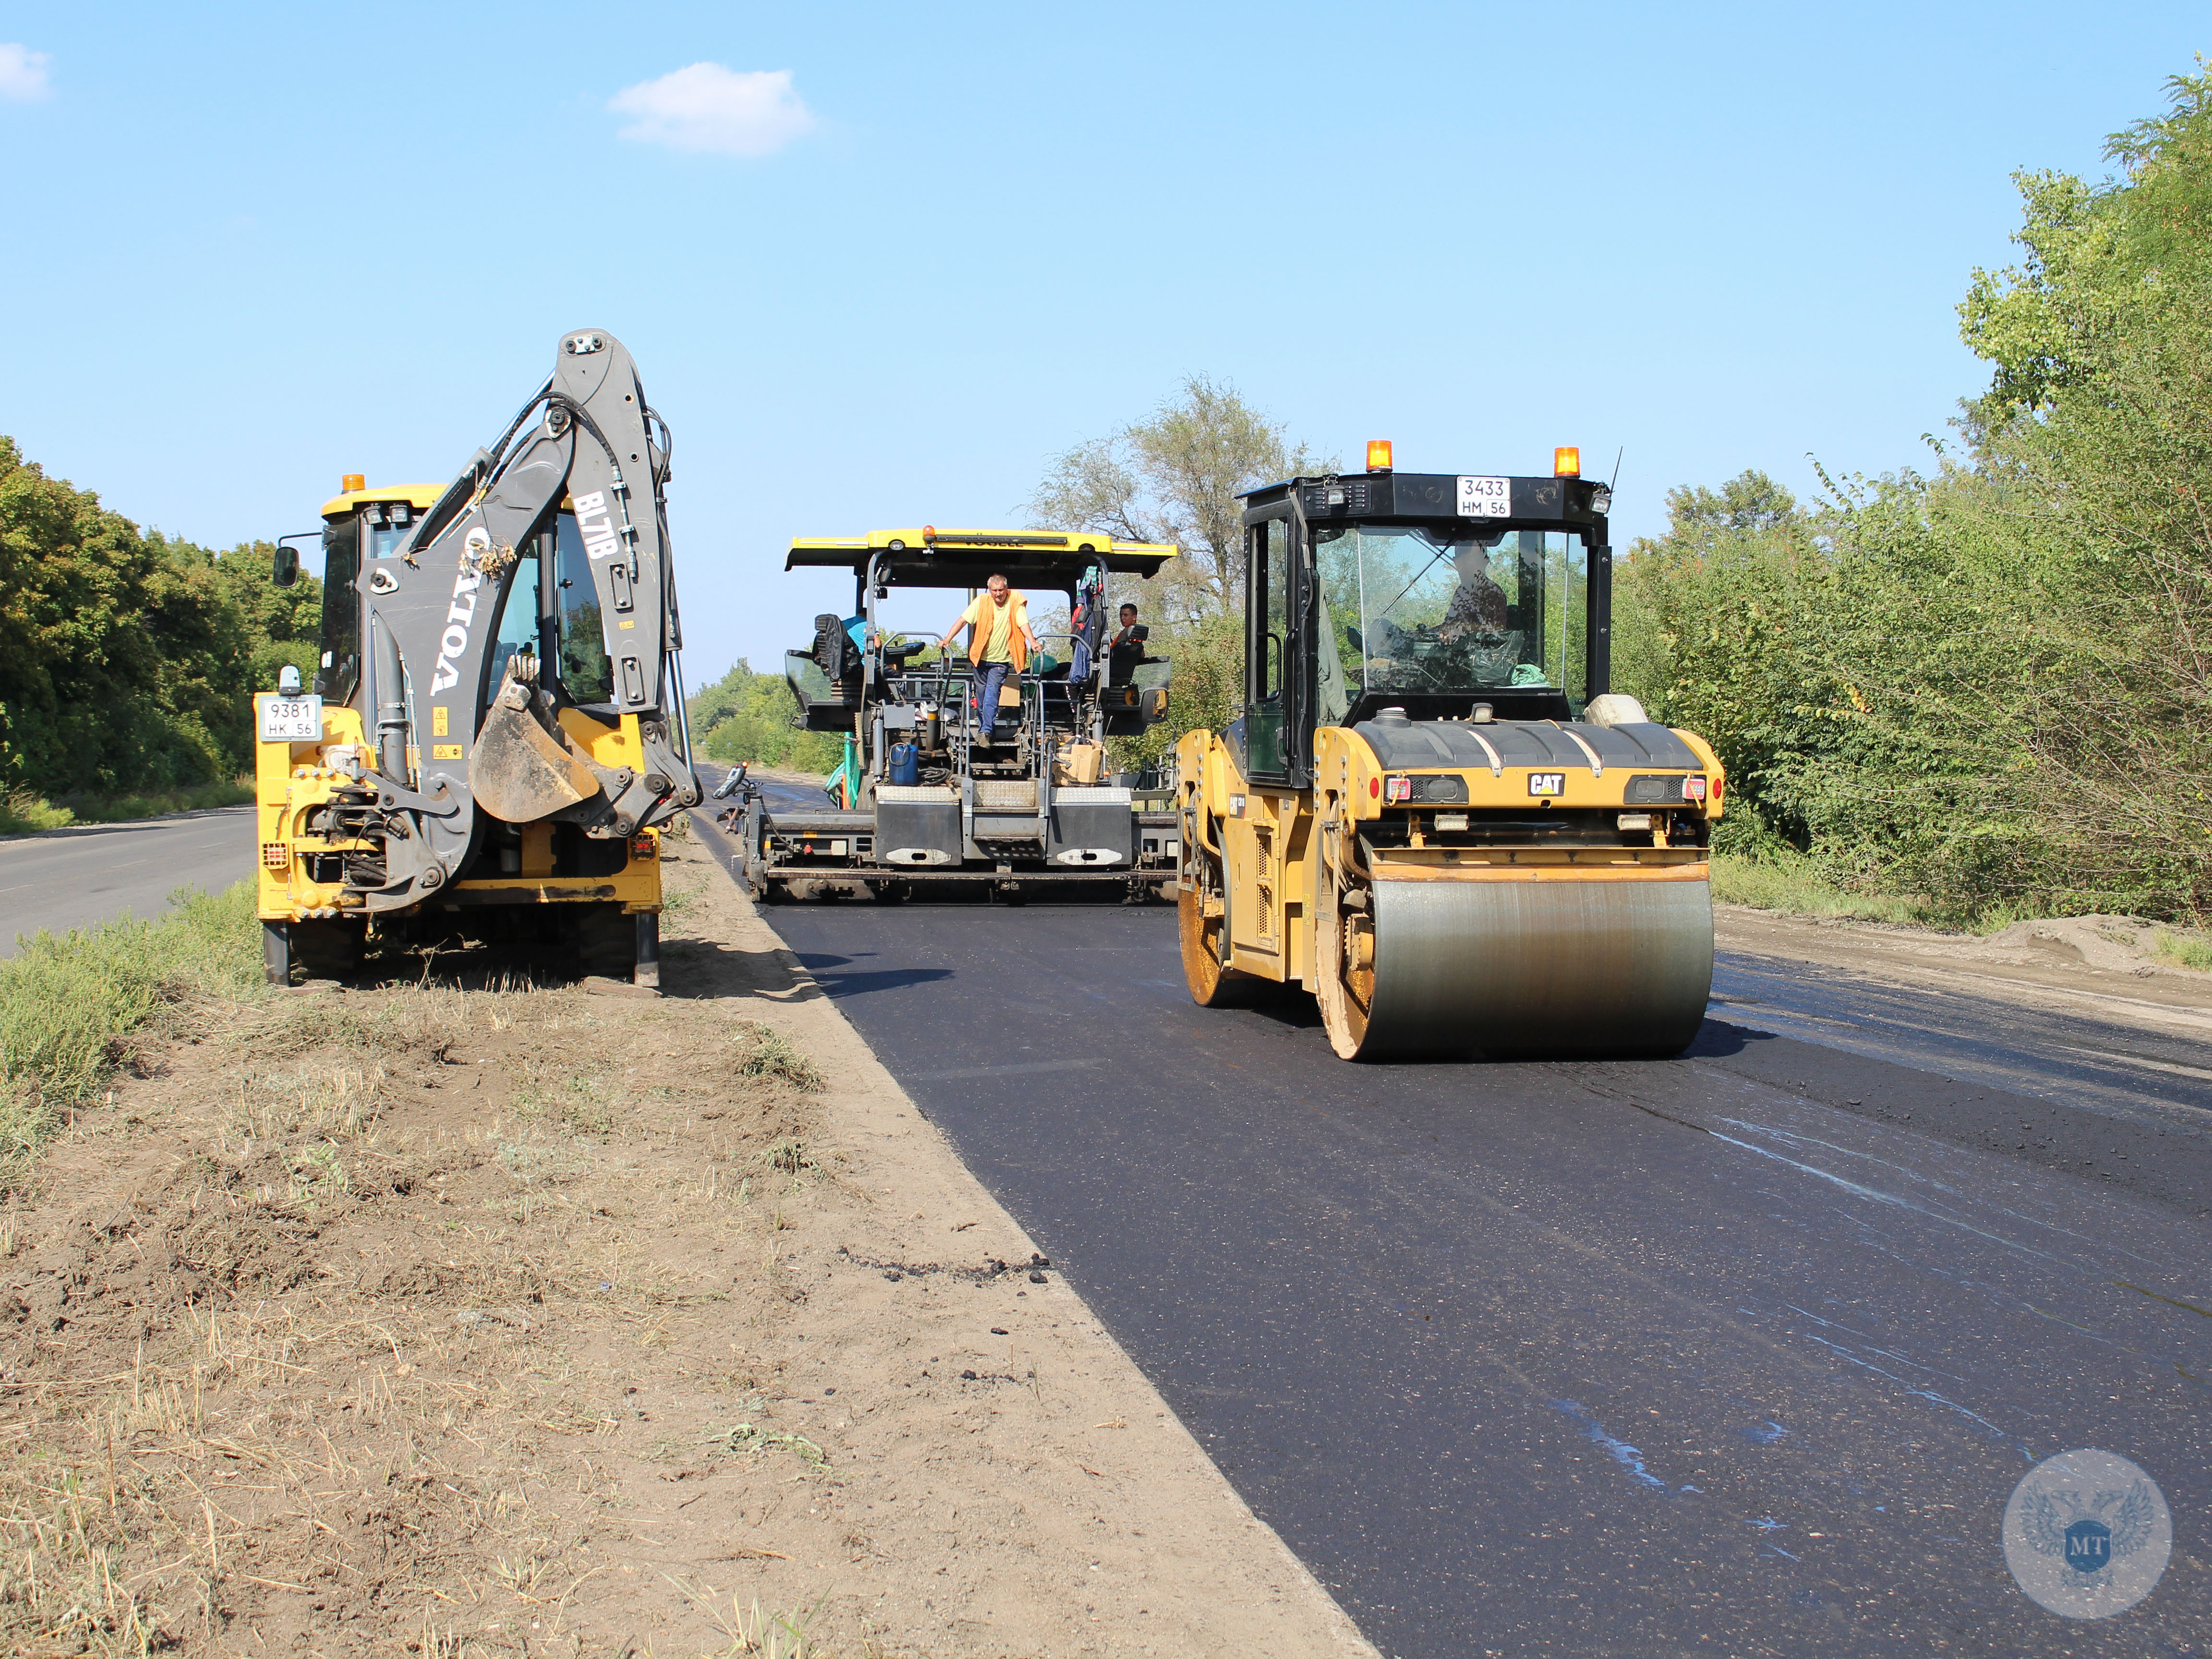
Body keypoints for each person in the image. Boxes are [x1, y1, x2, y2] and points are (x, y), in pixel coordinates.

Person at [935, 573, 1038, 745]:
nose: (998, 594)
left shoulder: (1015, 601)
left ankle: (985, 732)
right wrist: (947, 639)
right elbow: (963, 620)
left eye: (1001, 590)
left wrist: (1033, 641)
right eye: (994, 590)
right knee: (982, 697)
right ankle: (985, 727)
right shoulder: (982, 602)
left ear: (1007, 589)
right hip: (980, 659)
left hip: (1001, 661)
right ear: (989, 590)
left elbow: (1023, 623)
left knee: (992, 693)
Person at [1107, 603, 1149, 685]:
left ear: (1134, 617)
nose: (1122, 618)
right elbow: (1142, 655)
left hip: (1112, 672)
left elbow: (1114, 653)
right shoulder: (1137, 639)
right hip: (1126, 675)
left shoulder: (1127, 632)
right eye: (1121, 615)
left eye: (1126, 615)